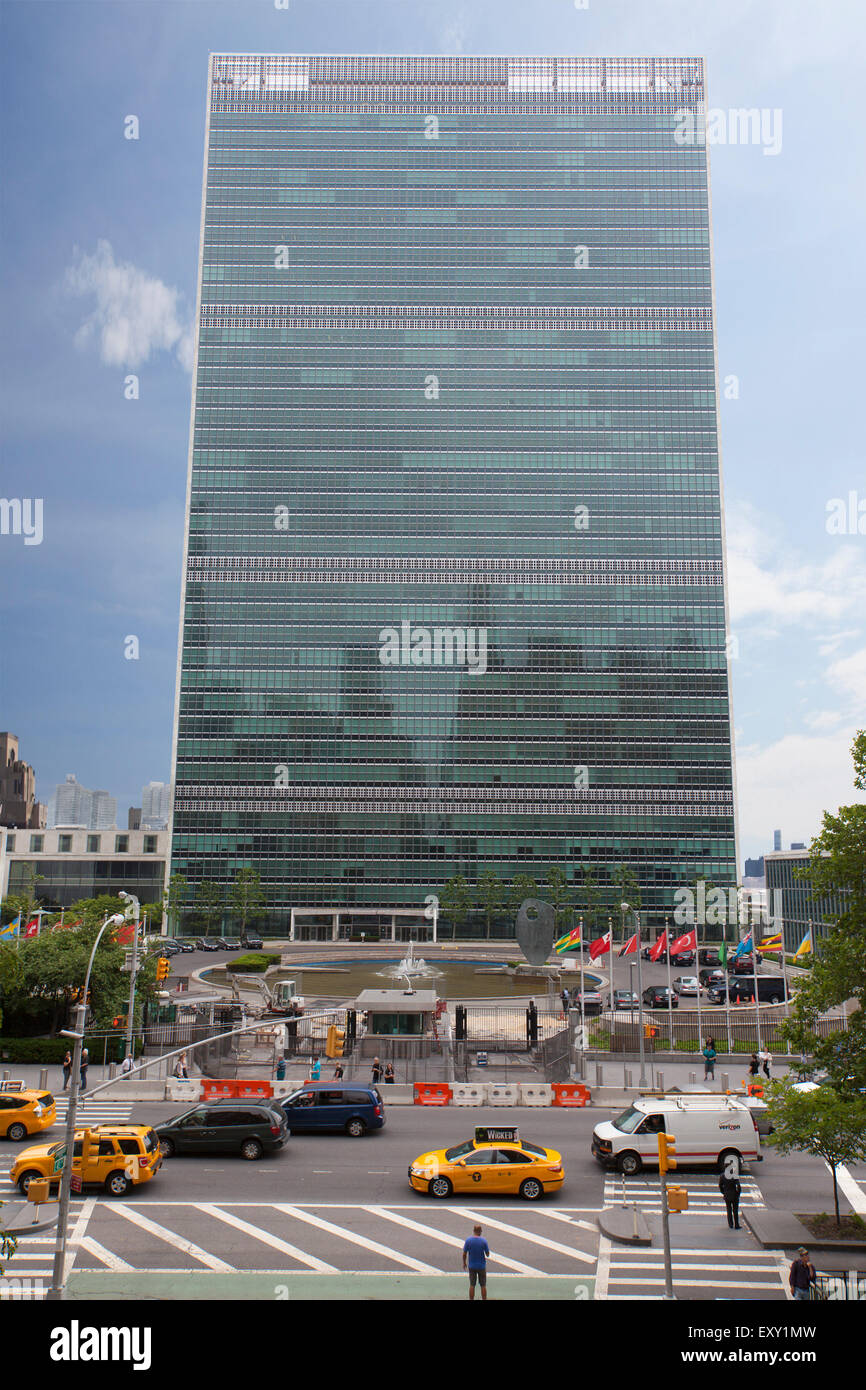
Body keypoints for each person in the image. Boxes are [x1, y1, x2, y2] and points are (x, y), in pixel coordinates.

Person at [462, 1224, 490, 1302]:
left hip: (472, 1266)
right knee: (483, 1285)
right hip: (481, 1266)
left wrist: (464, 1263)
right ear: (480, 1231)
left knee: (472, 1285)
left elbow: (464, 1254)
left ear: (473, 1231)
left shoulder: (468, 1240)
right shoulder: (484, 1241)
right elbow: (487, 1254)